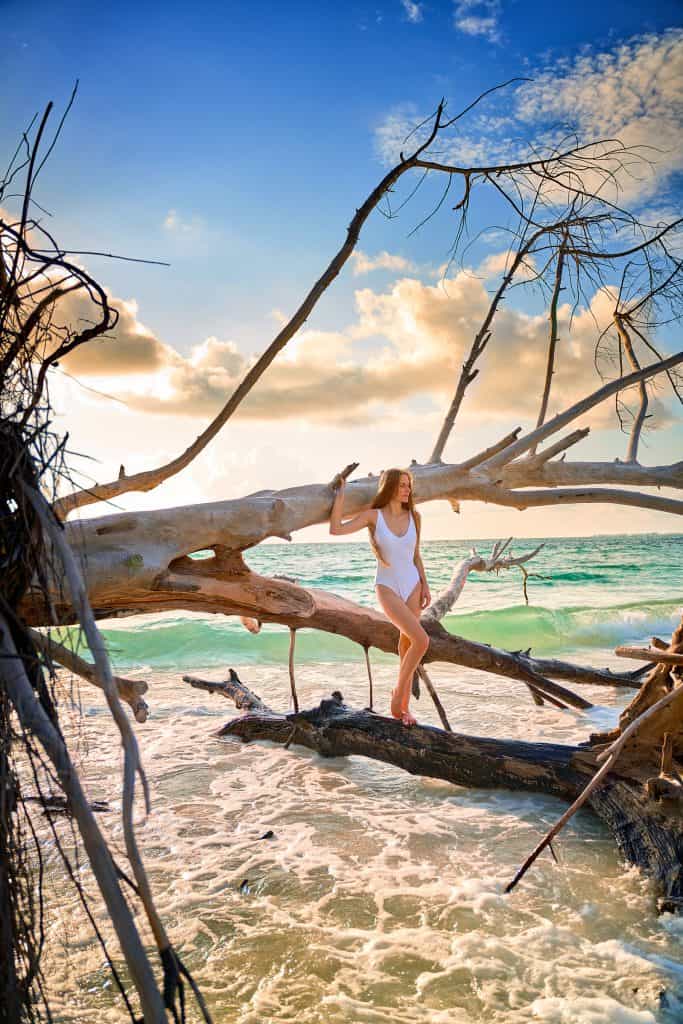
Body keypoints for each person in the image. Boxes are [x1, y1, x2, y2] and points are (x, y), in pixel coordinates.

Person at [329, 468, 431, 727]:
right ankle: (397, 696)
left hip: (413, 585)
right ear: (390, 488)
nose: (408, 490)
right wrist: (340, 496)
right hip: (386, 586)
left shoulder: (414, 517)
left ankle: (404, 709)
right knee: (422, 640)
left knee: (408, 644)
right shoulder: (374, 516)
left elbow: (415, 555)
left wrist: (426, 585)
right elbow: (336, 530)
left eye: (409, 485)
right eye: (403, 486)